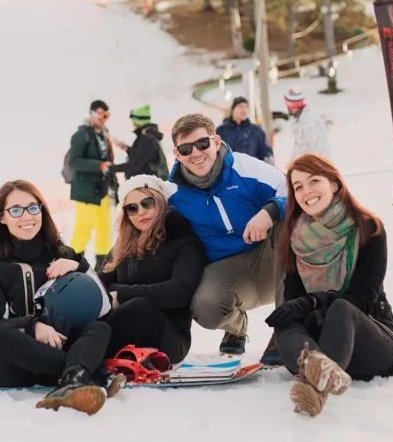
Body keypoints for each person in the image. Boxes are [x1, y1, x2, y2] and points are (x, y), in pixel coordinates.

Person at [0, 180, 123, 415]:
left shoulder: (62, 253)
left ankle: (72, 382)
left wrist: (78, 265)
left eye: (33, 207)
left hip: (62, 343)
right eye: (16, 210)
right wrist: (33, 327)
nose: (27, 216)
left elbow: (101, 304)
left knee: (99, 328)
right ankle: (85, 373)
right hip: (18, 363)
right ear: (2, 217)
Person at [265, 154, 393, 417]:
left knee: (341, 308)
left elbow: (362, 299)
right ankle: (315, 364)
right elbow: (294, 298)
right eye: (298, 186)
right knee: (285, 318)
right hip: (319, 337)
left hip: (369, 339)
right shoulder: (293, 237)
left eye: (314, 180)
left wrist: (314, 301)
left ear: (335, 184)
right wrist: (295, 308)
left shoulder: (368, 228)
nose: (307, 191)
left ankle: (314, 383)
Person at [164, 113, 288, 363]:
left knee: (290, 224)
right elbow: (143, 225)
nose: (196, 154)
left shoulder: (245, 168)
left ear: (217, 141)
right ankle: (236, 328)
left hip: (270, 257)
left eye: (202, 144)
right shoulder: (174, 194)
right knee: (205, 308)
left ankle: (287, 329)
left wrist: (269, 212)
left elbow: (293, 190)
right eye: (186, 149)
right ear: (176, 154)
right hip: (227, 271)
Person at [99, 175, 206, 364]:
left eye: (147, 203)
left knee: (140, 307)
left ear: (162, 203)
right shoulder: (122, 246)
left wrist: (122, 295)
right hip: (125, 330)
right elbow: (101, 283)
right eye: (132, 208)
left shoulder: (184, 241)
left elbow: (180, 291)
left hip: (169, 338)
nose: (140, 212)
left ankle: (92, 359)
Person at [68, 100, 116, 271]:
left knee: (104, 228)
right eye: (100, 114)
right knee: (83, 229)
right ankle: (71, 261)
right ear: (92, 114)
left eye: (106, 115)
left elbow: (109, 161)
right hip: (86, 191)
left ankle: (102, 266)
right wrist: (99, 166)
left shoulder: (104, 135)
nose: (103, 118)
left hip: (102, 190)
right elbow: (75, 161)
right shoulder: (81, 135)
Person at [111, 104, 169, 180]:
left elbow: (135, 164)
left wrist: (110, 168)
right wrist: (127, 148)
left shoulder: (147, 139)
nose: (133, 124)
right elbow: (142, 156)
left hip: (145, 185)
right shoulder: (148, 137)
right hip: (146, 183)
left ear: (138, 121)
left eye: (133, 121)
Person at [216, 96, 274, 164]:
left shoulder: (257, 131)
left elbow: (266, 151)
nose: (244, 110)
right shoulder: (221, 131)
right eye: (241, 106)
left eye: (246, 107)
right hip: (229, 171)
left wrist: (269, 162)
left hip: (251, 171)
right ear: (233, 109)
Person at [283, 88, 333, 161]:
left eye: (288, 104)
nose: (287, 107)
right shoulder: (301, 120)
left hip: (317, 170)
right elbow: (299, 149)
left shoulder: (310, 123)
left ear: (294, 105)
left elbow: (315, 153)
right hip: (306, 169)